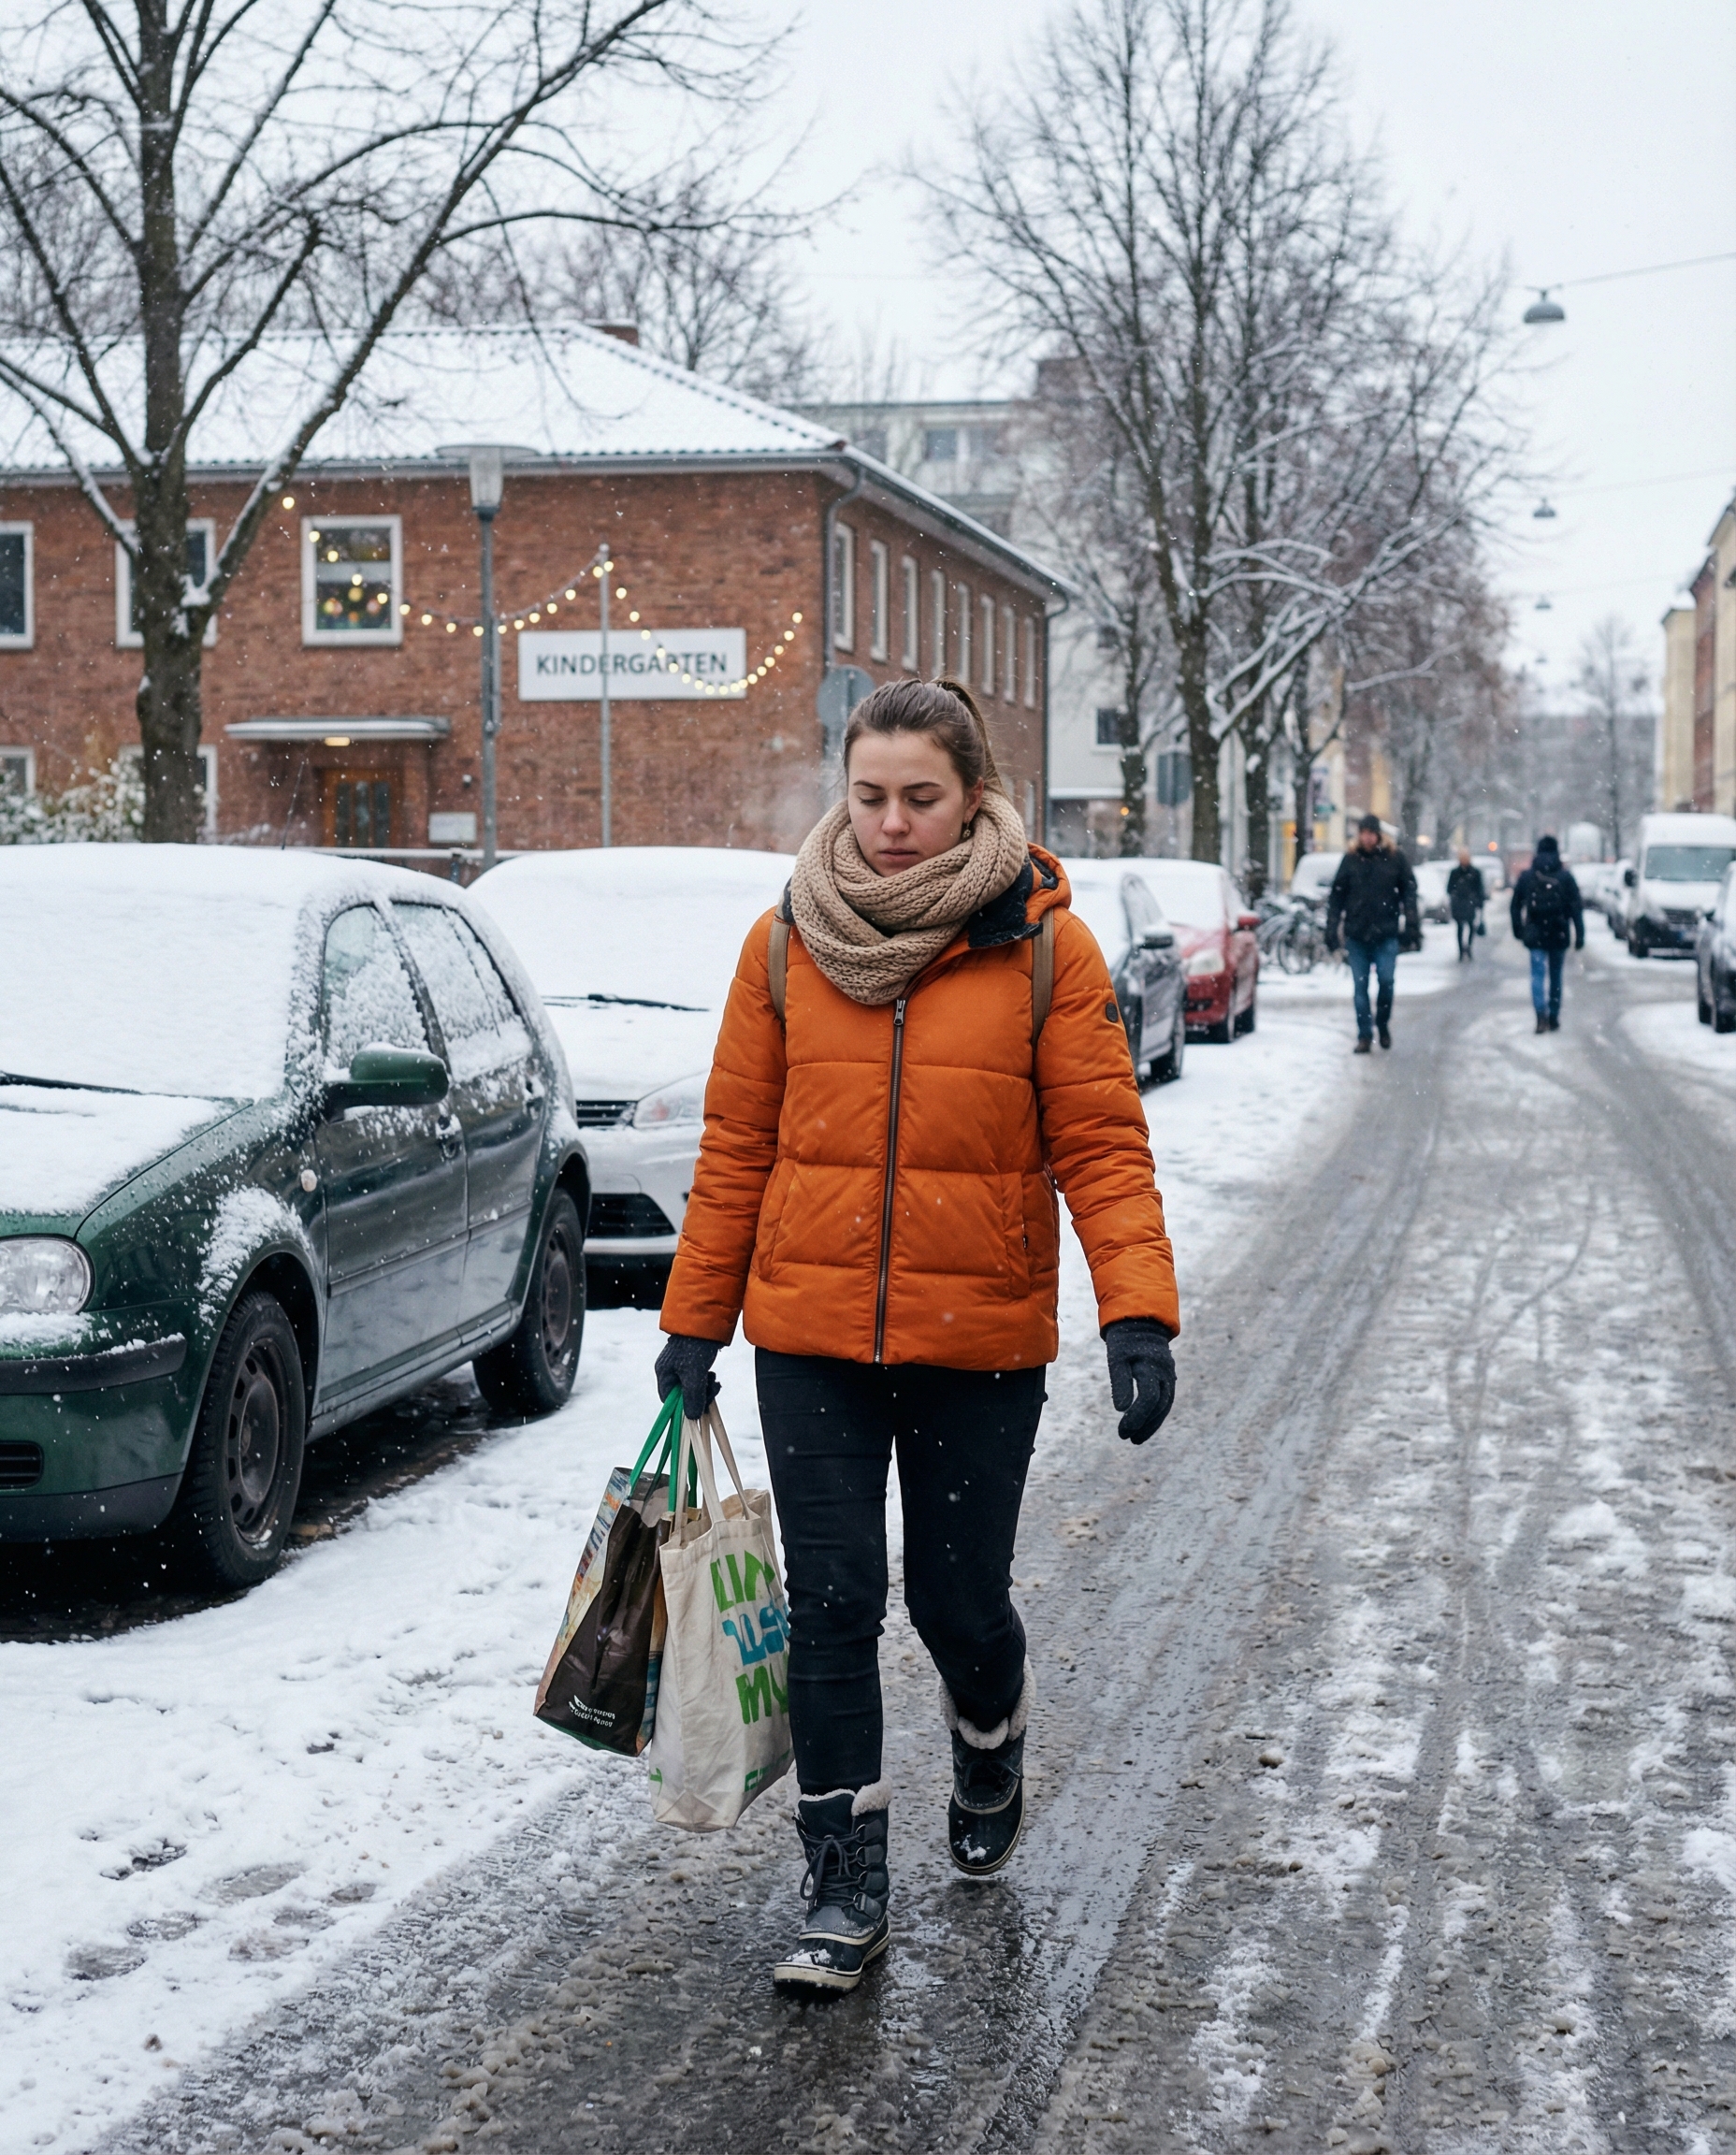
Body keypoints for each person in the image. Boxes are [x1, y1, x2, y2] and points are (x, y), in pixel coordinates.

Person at [653, 677, 1180, 1996]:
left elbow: (1103, 1148)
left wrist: (1137, 1311)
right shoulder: (784, 945)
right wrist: (691, 1323)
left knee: (955, 1602)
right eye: (871, 795)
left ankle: (989, 1725)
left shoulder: (1047, 950)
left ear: (975, 793)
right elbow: (735, 1152)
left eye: (920, 799)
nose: (891, 824)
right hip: (812, 1340)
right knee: (830, 1606)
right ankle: (844, 1882)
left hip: (978, 1341)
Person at [1324, 813, 1420, 1053]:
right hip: (1357, 935)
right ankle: (1364, 1034)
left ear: (1378, 835)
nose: (1367, 838)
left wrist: (1411, 923)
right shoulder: (1350, 861)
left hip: (1386, 933)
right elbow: (1337, 896)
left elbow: (1409, 891)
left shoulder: (1394, 859)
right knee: (1360, 988)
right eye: (1363, 833)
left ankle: (1383, 1023)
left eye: (1371, 833)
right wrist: (1332, 927)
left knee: (1386, 982)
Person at [1510, 833, 1584, 1033]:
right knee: (1556, 975)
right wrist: (1580, 933)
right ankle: (1554, 1015)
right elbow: (1576, 907)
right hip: (1558, 932)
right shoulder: (1565, 877)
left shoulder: (1527, 876)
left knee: (1537, 975)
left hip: (1535, 932)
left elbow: (1515, 905)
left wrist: (1518, 929)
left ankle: (1540, 1014)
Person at [1447, 847, 1485, 962]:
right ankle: (1461, 950)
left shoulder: (1475, 873)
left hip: (1470, 904)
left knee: (1470, 926)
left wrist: (1478, 902)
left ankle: (1468, 947)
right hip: (1459, 904)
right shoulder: (1455, 873)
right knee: (1460, 927)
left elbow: (1480, 889)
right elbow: (1449, 888)